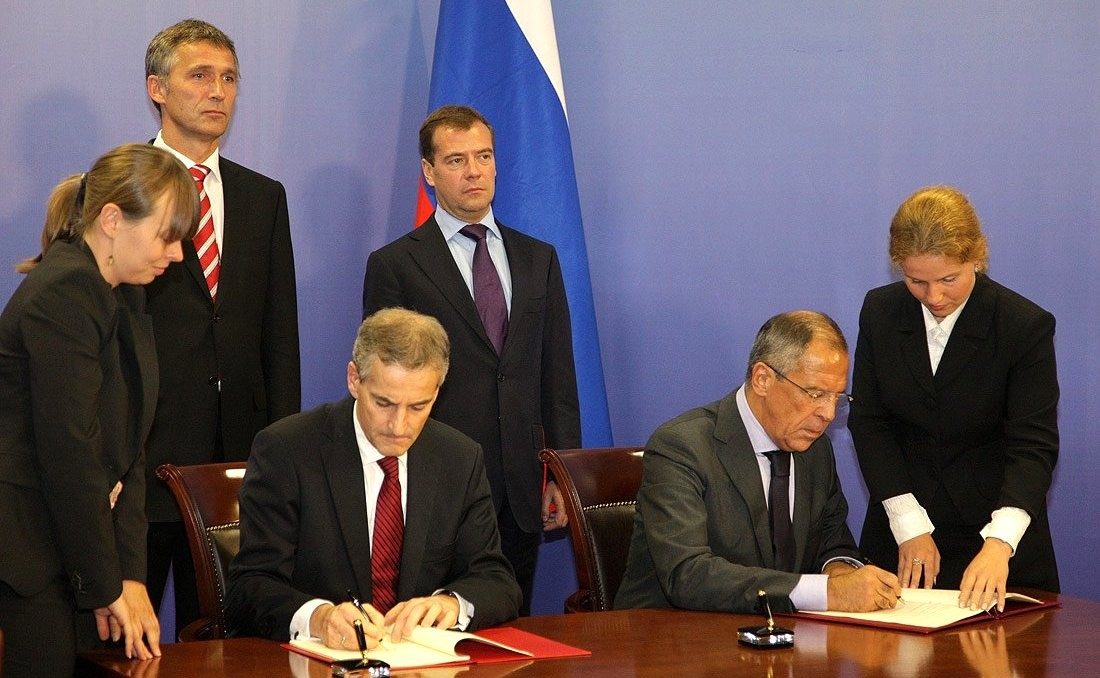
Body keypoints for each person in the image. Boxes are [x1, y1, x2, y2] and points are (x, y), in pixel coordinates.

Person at [362, 105, 580, 614]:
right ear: (429, 172)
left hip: (523, 487)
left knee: (509, 628)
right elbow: (384, 387)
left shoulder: (538, 258)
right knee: (431, 629)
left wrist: (562, 474)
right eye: (457, 160)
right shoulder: (396, 264)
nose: (475, 171)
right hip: (434, 484)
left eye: (484, 156)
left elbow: (558, 378)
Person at [0, 143, 198, 677]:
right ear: (112, 219)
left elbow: (130, 453)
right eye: (167, 235)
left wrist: (130, 576)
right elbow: (71, 454)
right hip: (34, 560)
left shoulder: (123, 290)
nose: (177, 255)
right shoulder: (64, 291)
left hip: (85, 550)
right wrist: (106, 583)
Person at [226, 308, 521, 647]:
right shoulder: (288, 451)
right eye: (384, 403)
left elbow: (496, 579)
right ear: (354, 379)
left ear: (437, 393)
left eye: (418, 406)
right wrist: (319, 618)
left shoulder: (459, 458)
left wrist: (449, 604)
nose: (399, 426)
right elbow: (248, 586)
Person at [142, 18, 301, 632]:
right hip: (148, 454)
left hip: (240, 459)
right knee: (128, 640)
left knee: (228, 637)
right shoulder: (122, 187)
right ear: (158, 88)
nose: (218, 92)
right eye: (200, 76)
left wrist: (283, 450)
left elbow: (278, 334)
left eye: (229, 78)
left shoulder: (263, 196)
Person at [849, 185, 1059, 612]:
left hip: (999, 541)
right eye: (916, 281)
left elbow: (1032, 447)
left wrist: (1000, 543)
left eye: (949, 279)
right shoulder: (880, 311)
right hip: (901, 533)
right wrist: (908, 525)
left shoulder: (1024, 326)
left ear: (976, 259)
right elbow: (869, 422)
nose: (934, 297)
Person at [615, 311, 901, 614]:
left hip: (777, 643)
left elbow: (833, 544)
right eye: (816, 394)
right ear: (763, 378)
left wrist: (842, 574)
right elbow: (688, 574)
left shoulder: (816, 450)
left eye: (837, 397)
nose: (828, 414)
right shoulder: (682, 447)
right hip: (673, 641)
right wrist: (827, 593)